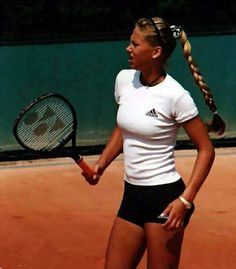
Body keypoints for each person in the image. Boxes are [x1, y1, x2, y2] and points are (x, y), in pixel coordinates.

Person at [82, 17, 225, 269]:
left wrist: (185, 200)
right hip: (132, 195)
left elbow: (206, 150)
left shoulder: (175, 95)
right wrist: (101, 164)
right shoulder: (124, 80)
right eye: (130, 42)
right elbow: (124, 125)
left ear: (156, 52)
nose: (128, 48)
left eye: (135, 44)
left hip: (165, 200)